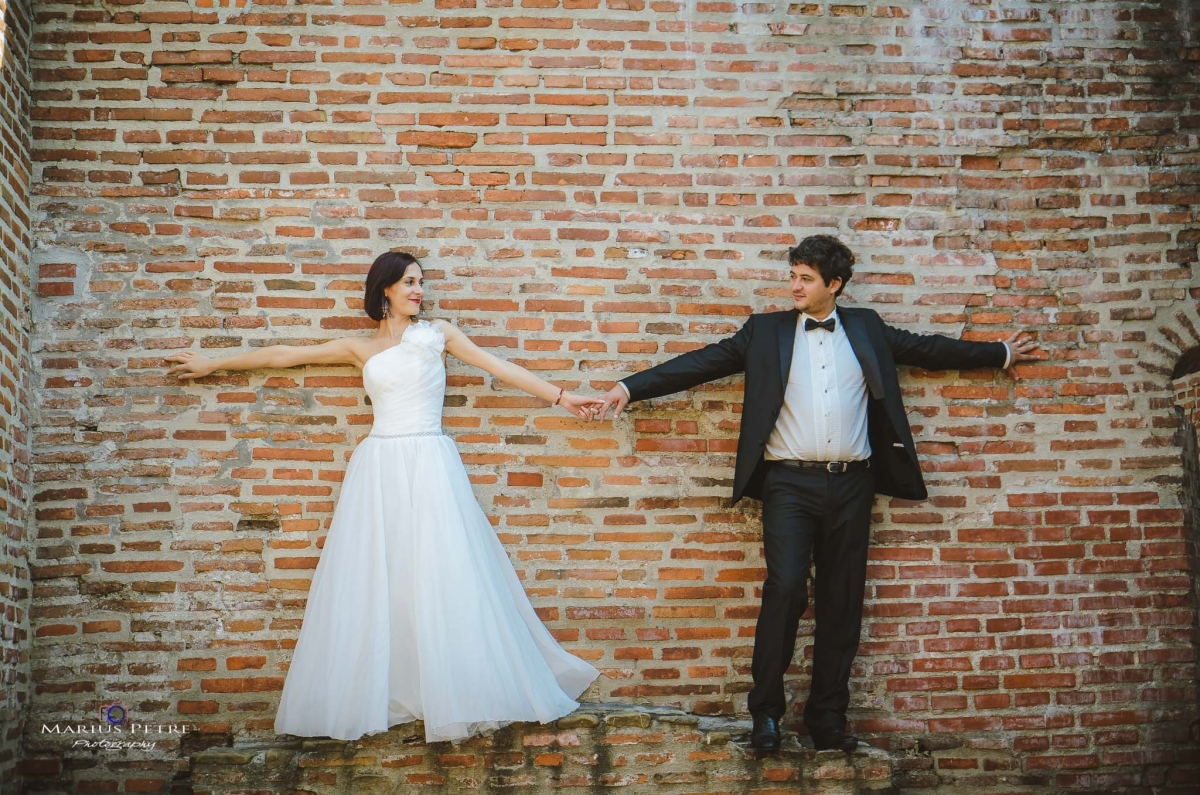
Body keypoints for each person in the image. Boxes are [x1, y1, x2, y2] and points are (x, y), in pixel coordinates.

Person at [593, 235, 1039, 753]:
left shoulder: (867, 328)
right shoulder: (766, 331)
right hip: (788, 484)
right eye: (793, 275)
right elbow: (700, 363)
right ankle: (766, 716)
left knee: (842, 602)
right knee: (785, 590)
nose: (795, 286)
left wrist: (1000, 352)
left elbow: (929, 349)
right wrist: (628, 387)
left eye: (805, 278)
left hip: (853, 483)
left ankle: (828, 719)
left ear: (835, 285)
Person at [165, 251, 602, 743]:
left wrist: (563, 396)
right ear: (386, 289)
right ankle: (391, 689)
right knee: (380, 574)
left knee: (442, 571)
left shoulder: (439, 334)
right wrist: (213, 364)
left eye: (421, 282)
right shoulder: (359, 348)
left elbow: (499, 367)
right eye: (410, 282)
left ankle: (455, 688)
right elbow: (283, 355)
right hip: (379, 467)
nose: (419, 290)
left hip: (431, 464)